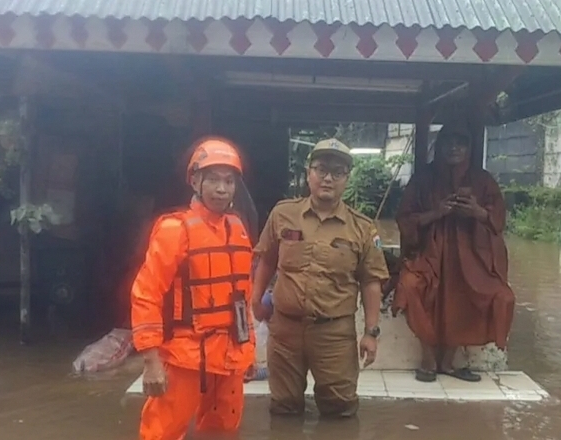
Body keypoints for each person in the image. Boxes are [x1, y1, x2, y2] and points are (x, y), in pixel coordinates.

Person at [251, 138, 389, 418]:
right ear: (308, 173)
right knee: (283, 407)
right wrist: (255, 300)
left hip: (334, 334)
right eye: (321, 169)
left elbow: (371, 281)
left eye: (338, 172)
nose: (328, 178)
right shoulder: (283, 214)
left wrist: (371, 332)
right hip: (285, 330)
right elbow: (266, 259)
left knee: (339, 408)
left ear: (347, 179)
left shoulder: (361, 227)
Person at [131, 136, 257, 440]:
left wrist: (249, 351)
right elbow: (145, 294)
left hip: (229, 355)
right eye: (212, 179)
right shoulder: (174, 230)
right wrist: (151, 362)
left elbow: (243, 298)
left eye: (228, 181)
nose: (221, 189)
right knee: (162, 432)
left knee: (223, 431)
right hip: (183, 356)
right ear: (195, 182)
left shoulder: (237, 228)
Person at [392, 122, 515, 383]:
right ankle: (428, 356)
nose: (454, 148)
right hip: (428, 255)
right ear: (439, 147)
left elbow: (498, 220)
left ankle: (448, 361)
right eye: (448, 142)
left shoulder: (482, 180)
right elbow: (404, 219)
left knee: (495, 294)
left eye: (461, 143)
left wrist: (477, 212)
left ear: (469, 148)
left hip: (470, 255)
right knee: (411, 286)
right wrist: (436, 212)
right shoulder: (422, 178)